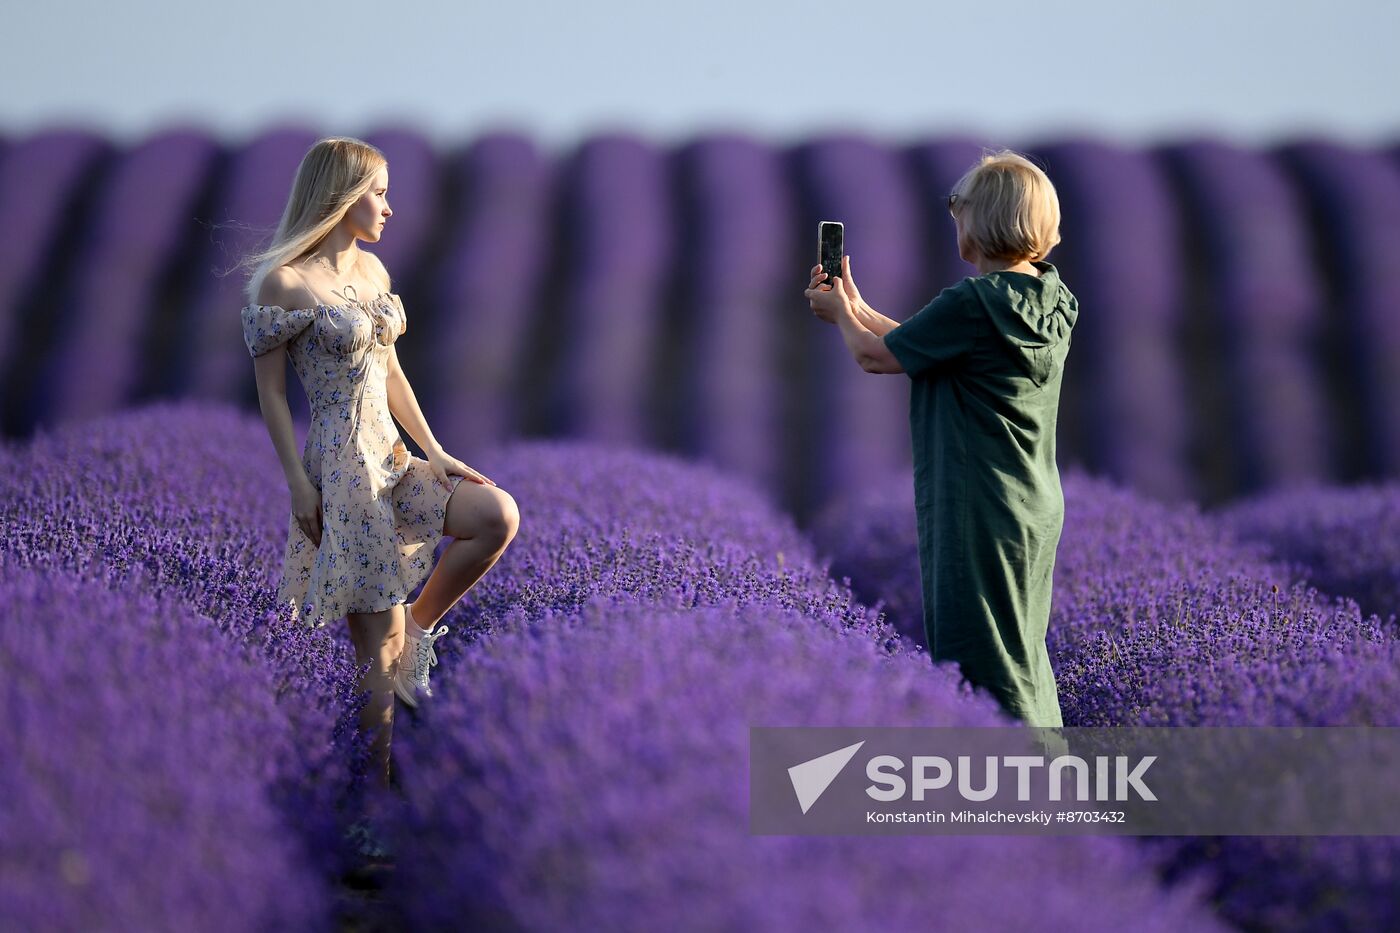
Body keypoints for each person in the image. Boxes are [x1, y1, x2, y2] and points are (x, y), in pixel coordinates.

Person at [237, 137, 520, 793]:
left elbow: (391, 372)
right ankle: (372, 803)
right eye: (380, 193)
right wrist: (297, 486)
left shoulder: (373, 275)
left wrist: (437, 451)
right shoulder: (284, 282)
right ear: (340, 197)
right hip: (341, 476)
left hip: (393, 458)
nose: (389, 208)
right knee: (376, 648)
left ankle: (423, 631)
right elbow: (272, 394)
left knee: (494, 513)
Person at [804, 149, 1077, 731]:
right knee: (1022, 649)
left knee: (979, 654)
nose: (955, 219)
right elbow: (924, 344)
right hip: (1030, 502)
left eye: (959, 208)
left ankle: (1018, 786)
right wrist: (854, 305)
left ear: (981, 222)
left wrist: (838, 318)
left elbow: (876, 358)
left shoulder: (973, 303)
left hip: (975, 502)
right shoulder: (1052, 303)